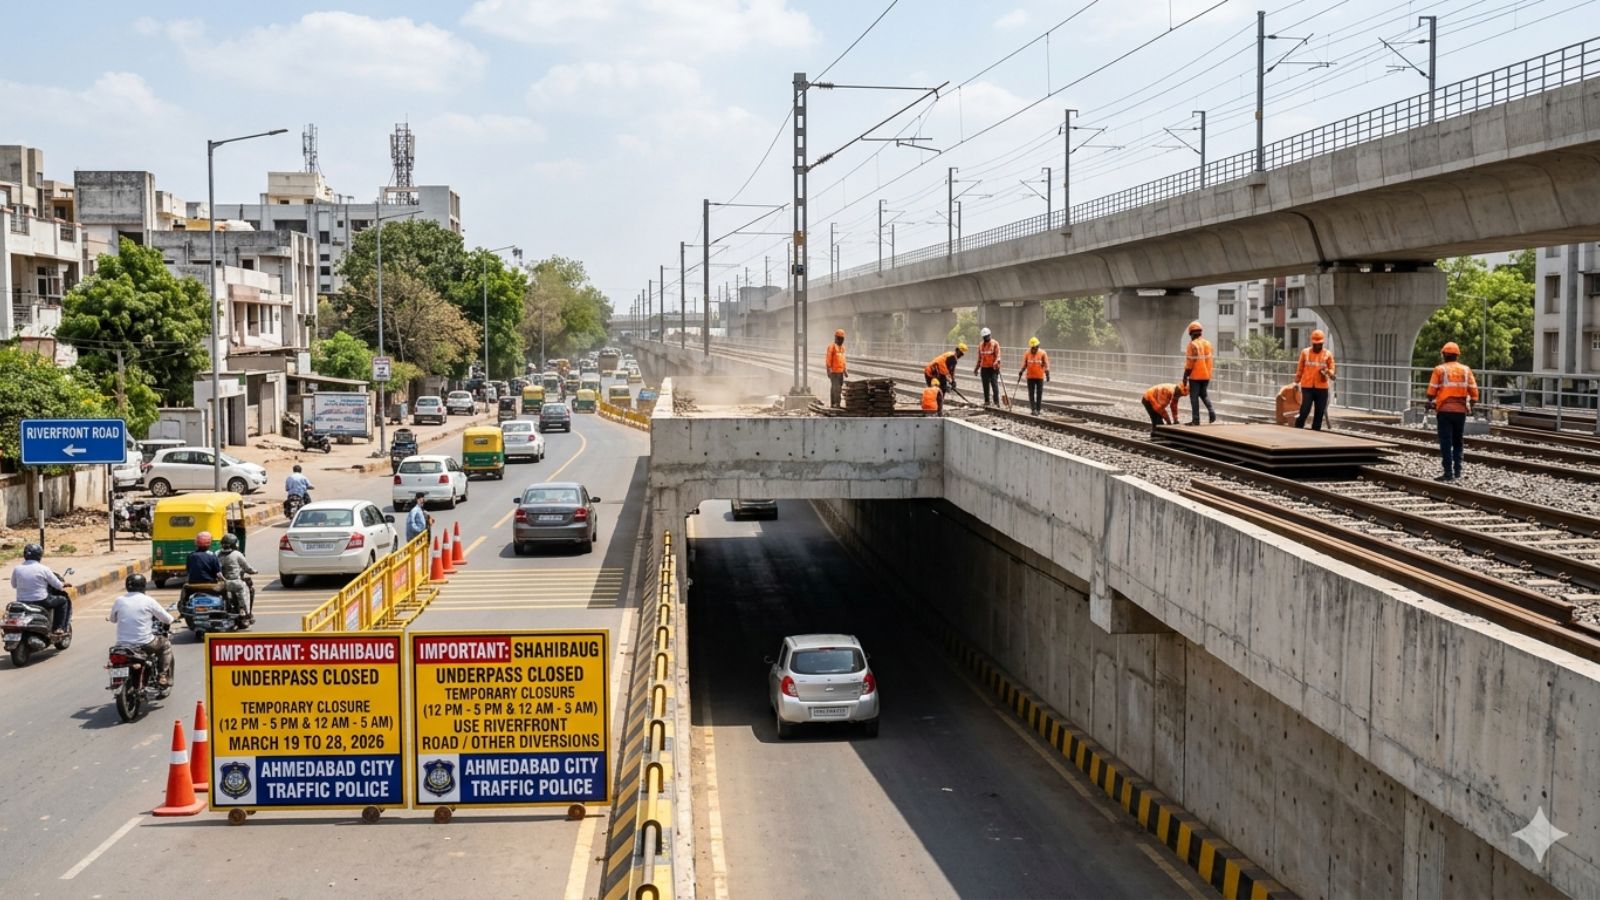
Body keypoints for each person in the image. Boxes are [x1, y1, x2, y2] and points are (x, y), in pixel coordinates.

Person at [108, 573, 173, 688]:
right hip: (144, 643)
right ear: (143, 586)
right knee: (165, 645)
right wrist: (171, 620)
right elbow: (167, 619)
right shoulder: (148, 600)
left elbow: (113, 620)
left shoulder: (119, 600)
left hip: (122, 645)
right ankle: (162, 676)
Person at [1427, 341, 1479, 482]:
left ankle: (1448, 473)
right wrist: (1470, 406)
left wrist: (1430, 402)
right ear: (1457, 355)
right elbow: (1474, 394)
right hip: (1460, 411)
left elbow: (1431, 392)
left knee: (1445, 442)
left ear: (1444, 354)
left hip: (1444, 411)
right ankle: (1457, 472)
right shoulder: (1466, 370)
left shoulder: (1439, 370)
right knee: (1458, 442)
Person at [10, 543, 69, 634]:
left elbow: (14, 585)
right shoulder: (44, 569)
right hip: (41, 601)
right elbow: (57, 585)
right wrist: (63, 585)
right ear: (39, 556)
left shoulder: (17, 569)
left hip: (22, 601)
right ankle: (58, 628)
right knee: (63, 600)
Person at [1293, 330, 1337, 430]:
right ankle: (1298, 428)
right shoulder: (1305, 353)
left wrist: (1328, 372)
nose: (1317, 346)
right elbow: (1300, 368)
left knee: (1319, 412)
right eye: (1315, 344)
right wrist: (1296, 382)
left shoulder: (1327, 354)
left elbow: (1332, 368)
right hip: (1307, 386)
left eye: (1319, 344)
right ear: (1312, 342)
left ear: (1322, 343)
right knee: (1304, 410)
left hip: (1322, 387)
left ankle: (1315, 432)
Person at [1183, 321, 1216, 425]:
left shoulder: (1192, 345)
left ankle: (1196, 420)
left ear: (1191, 333)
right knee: (1204, 394)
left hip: (1195, 376)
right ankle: (1212, 412)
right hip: (1206, 375)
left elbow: (1190, 363)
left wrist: (1185, 376)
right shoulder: (1208, 344)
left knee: (1194, 397)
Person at [216, 533, 256, 617]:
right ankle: (243, 609)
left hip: (219, 583)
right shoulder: (237, 554)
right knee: (242, 589)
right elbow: (247, 568)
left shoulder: (216, 553)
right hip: (234, 582)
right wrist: (254, 571)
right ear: (234, 544)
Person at [1018, 337, 1050, 415]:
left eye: (1035, 347)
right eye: (1032, 348)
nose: (1033, 349)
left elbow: (1046, 364)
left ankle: (1038, 409)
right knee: (1031, 394)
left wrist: (1047, 373)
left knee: (1039, 394)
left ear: (1038, 346)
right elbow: (1025, 364)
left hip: (1039, 377)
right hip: (1030, 377)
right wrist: (1021, 371)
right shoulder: (1027, 353)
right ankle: (1033, 409)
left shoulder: (1042, 353)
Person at [825, 329, 848, 408]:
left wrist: (845, 370)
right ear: (836, 338)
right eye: (839, 338)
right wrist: (829, 369)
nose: (841, 340)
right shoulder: (831, 347)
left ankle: (836, 403)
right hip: (834, 372)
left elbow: (843, 360)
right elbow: (828, 359)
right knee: (836, 388)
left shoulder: (842, 348)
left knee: (838, 388)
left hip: (840, 372)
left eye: (842, 338)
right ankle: (835, 404)